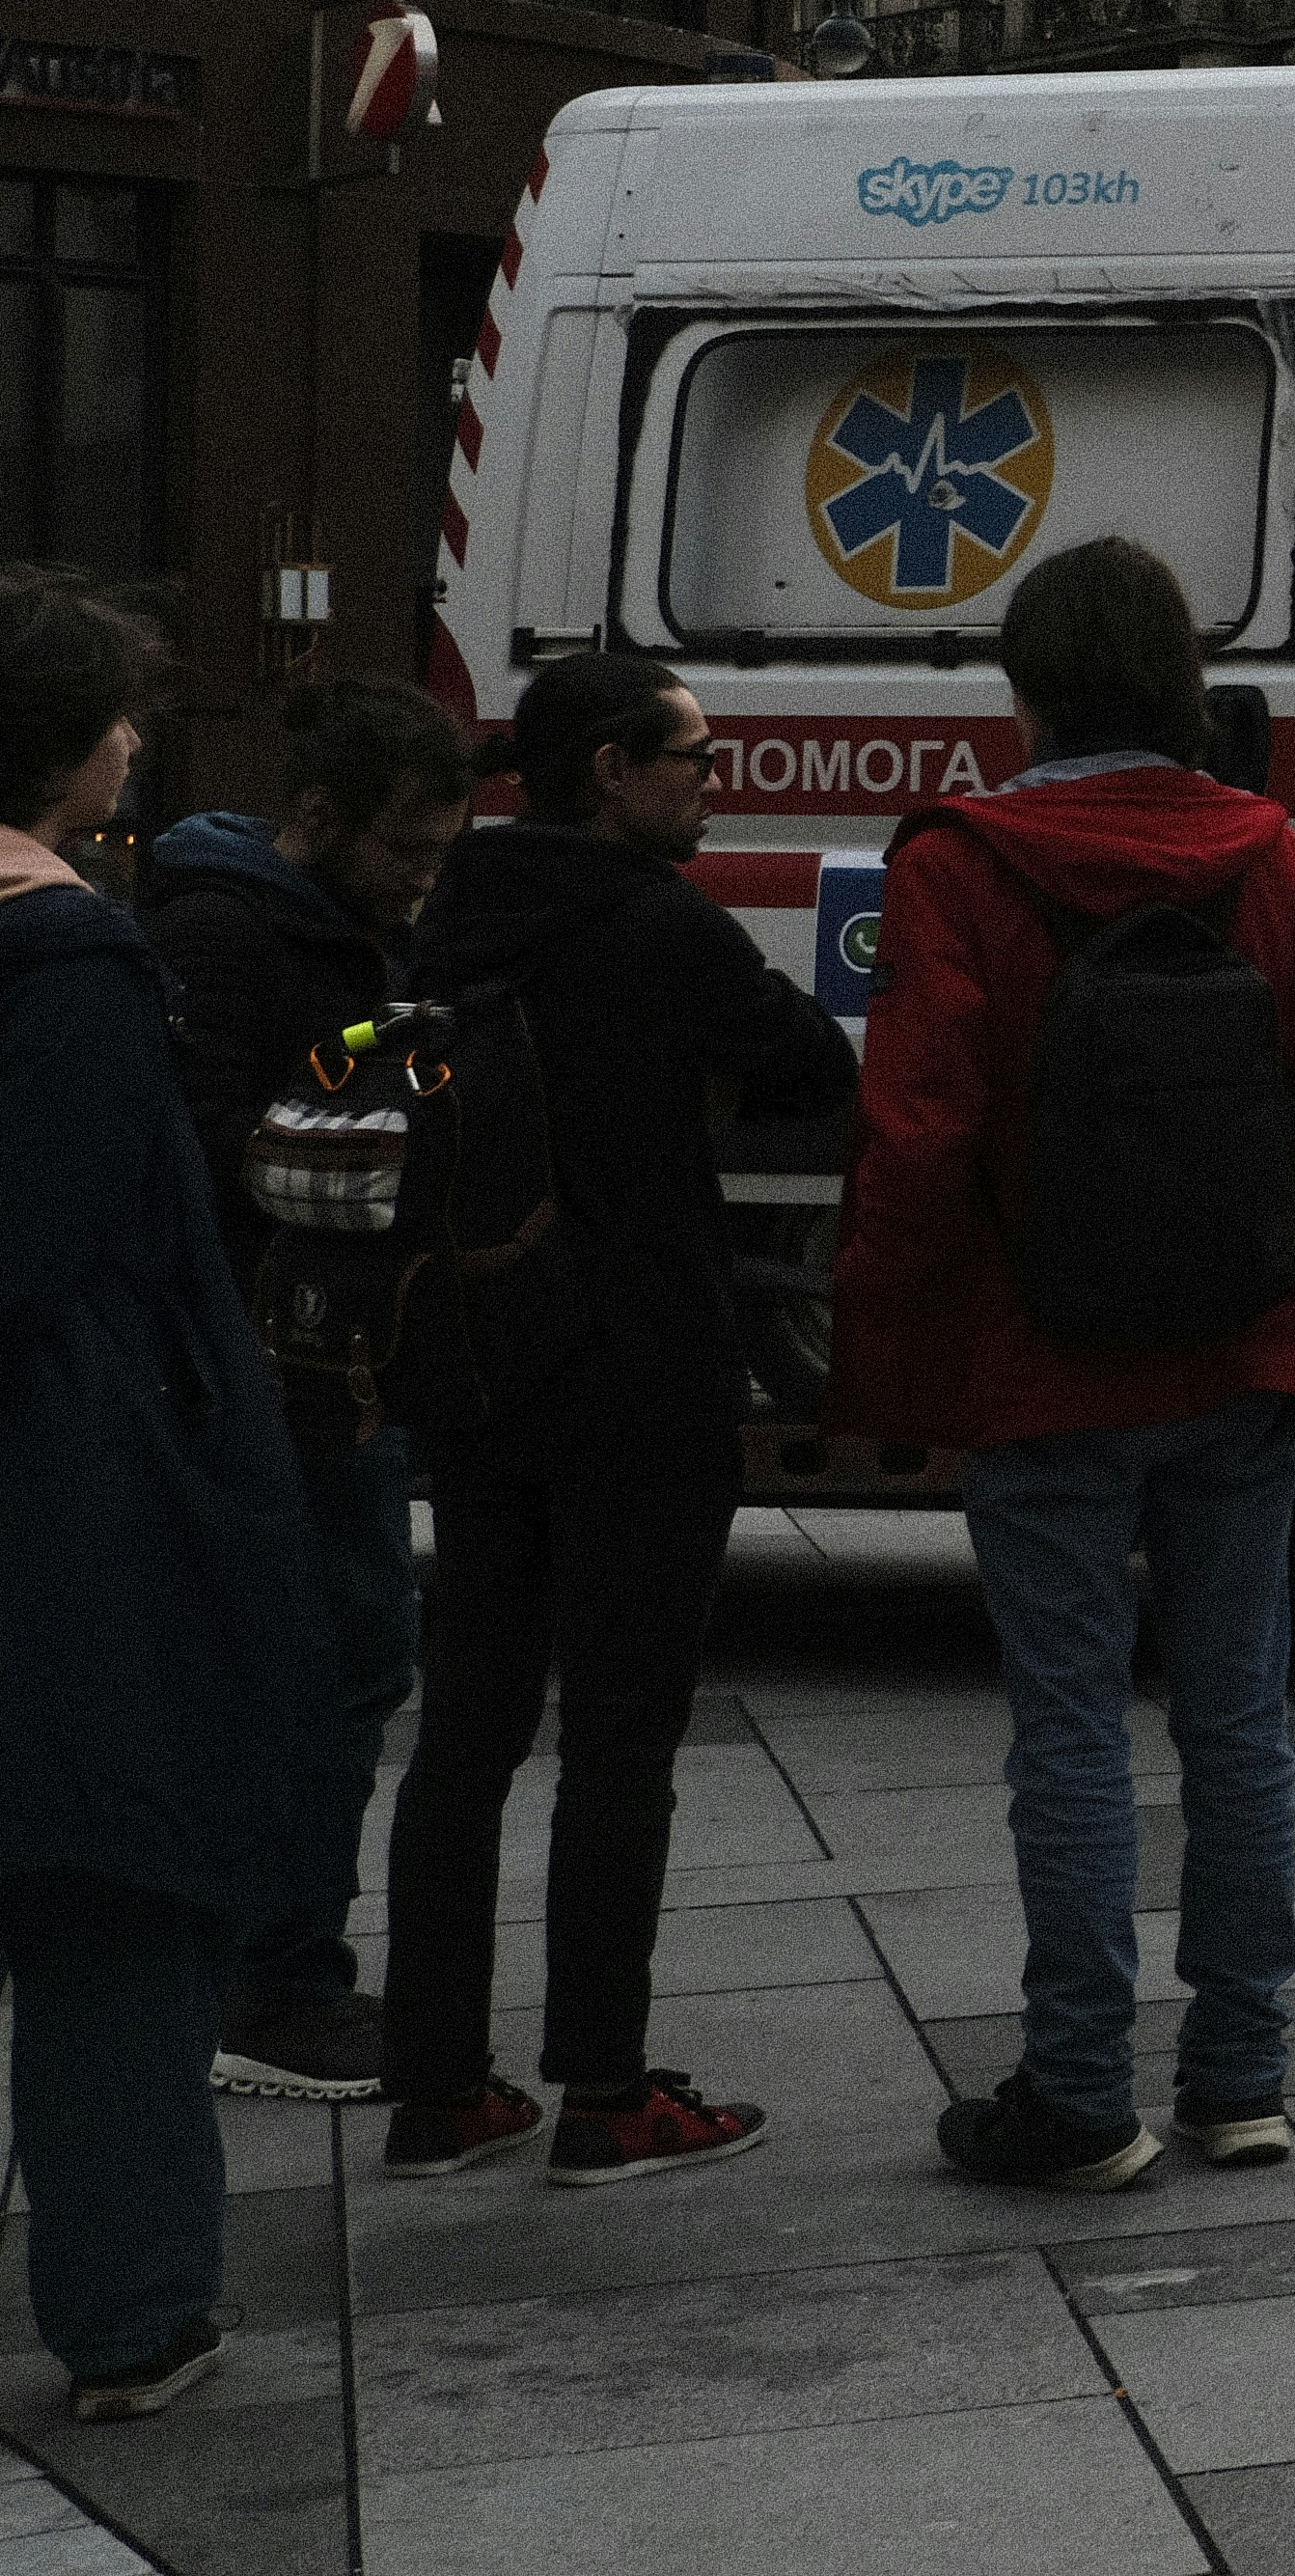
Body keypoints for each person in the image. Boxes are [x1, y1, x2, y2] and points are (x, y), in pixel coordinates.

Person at [835, 538, 1295, 2191]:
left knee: (1071, 1731)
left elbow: (921, 1135)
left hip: (1044, 1364)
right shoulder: (1268, 856)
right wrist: (1281, 1256)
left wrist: (884, 1332)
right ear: (1177, 682)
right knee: (1240, 1721)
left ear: (1025, 690)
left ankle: (1080, 2097)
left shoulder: (958, 863)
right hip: (1244, 1362)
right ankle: (1241, 2076)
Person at [376, 651, 858, 2188]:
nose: (714, 784)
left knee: (462, 1738)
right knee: (620, 1744)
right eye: (696, 760)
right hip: (640, 1377)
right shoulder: (659, 925)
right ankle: (605, 2091)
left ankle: (441, 2087)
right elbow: (815, 1066)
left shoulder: (454, 910)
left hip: (480, 1359)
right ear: (611, 772)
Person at [0, 568, 333, 2423]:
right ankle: (132, 2313)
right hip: (67, 1506)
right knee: (115, 1905)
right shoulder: (73, 963)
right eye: (118, 717)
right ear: (60, 748)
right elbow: (49, 1249)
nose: (138, 744)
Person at [141, 678, 469, 2103]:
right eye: (405, 847)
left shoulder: (352, 932)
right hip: (274, 1363)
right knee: (336, 1662)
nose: (422, 879)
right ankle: (276, 1981)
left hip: (341, 1356)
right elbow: (206, 1148)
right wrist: (374, 1162)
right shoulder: (220, 936)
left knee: (348, 1661)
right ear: (320, 819)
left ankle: (276, 1965)